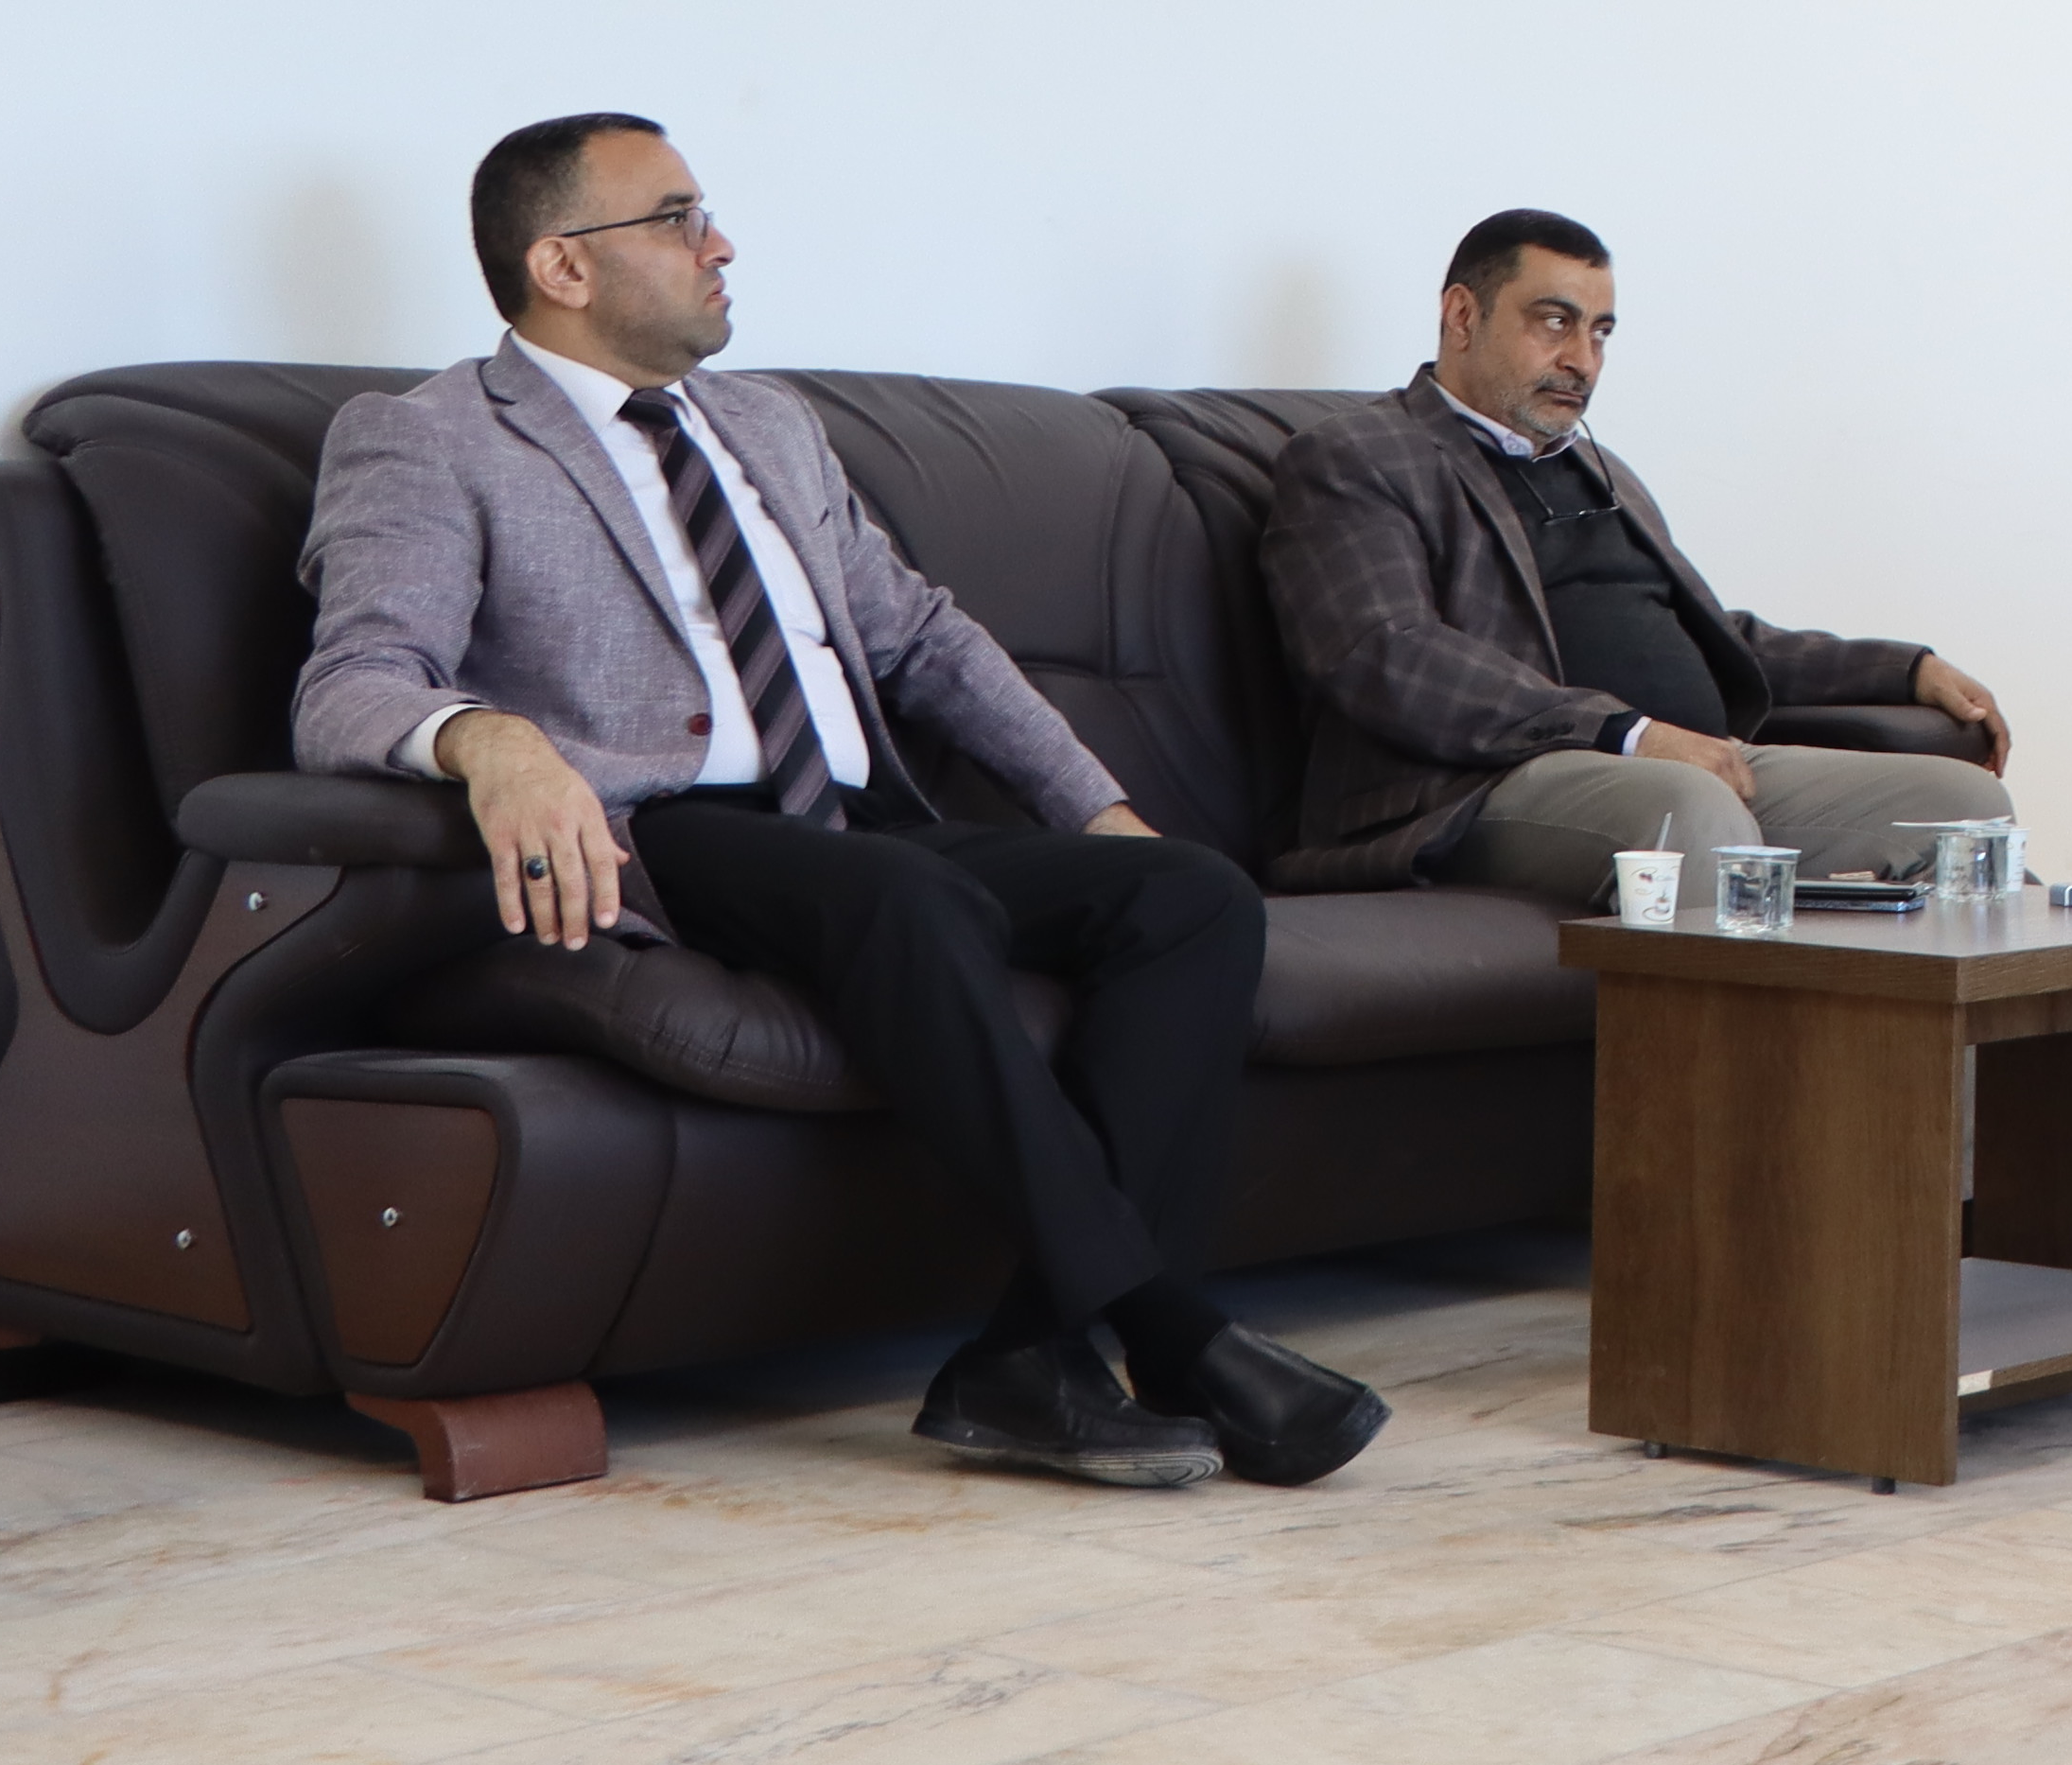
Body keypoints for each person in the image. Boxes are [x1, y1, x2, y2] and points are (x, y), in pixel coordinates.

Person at [296, 115, 1384, 1494]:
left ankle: (1029, 1356)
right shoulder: (430, 437)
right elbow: (353, 680)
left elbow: (923, 639)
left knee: (1191, 896)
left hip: (858, 829)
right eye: (677, 217)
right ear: (562, 265)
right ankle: (1171, 1329)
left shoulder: (769, 426)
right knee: (910, 894)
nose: (720, 243)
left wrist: (1097, 809)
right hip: (671, 833)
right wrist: (490, 739)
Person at [1256, 209, 2014, 904]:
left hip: (1685, 767)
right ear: (1462, 315)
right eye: (1554, 322)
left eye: (1601, 333)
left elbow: (1714, 637)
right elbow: (1384, 654)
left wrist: (1905, 668)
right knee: (1690, 808)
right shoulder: (1358, 455)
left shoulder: (1601, 470)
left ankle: (1884, 1018)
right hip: (1471, 790)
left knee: (1963, 805)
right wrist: (1626, 732)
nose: (1582, 360)